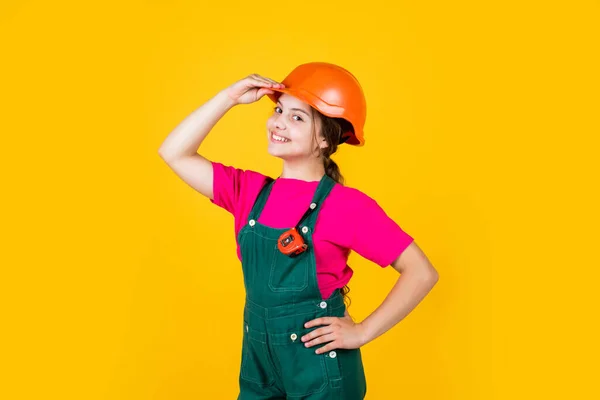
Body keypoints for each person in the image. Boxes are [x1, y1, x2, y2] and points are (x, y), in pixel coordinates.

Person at [158, 62, 439, 399]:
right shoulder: (246, 192)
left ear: (325, 138)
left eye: (297, 117)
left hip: (321, 369)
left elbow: (421, 272)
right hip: (259, 364)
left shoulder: (346, 206)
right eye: (279, 109)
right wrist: (228, 97)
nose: (278, 122)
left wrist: (362, 332)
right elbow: (173, 152)